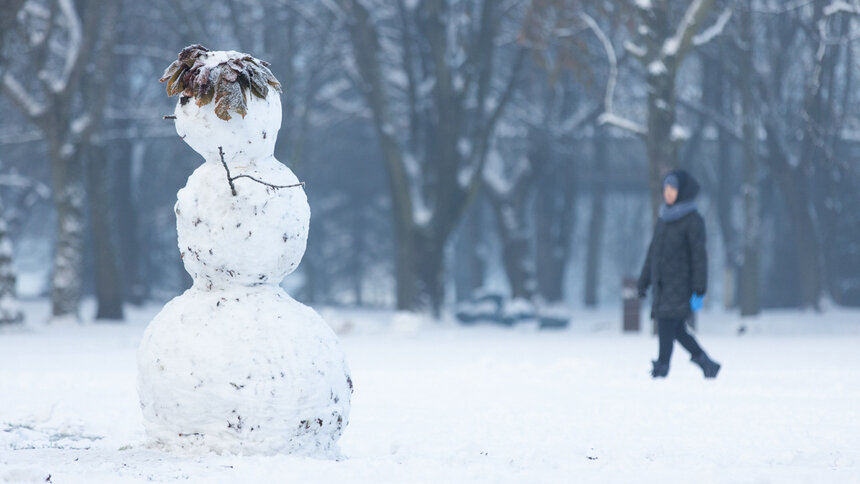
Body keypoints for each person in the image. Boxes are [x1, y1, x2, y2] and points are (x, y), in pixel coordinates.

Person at [637, 170, 721, 379]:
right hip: (662, 284)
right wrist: (644, 280)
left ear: (682, 191)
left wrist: (699, 288)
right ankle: (706, 363)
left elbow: (699, 257)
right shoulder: (664, 217)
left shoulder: (693, 220)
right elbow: (653, 252)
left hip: (682, 285)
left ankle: (662, 367)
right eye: (666, 189)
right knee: (676, 329)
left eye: (672, 189)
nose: (668, 193)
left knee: (667, 324)